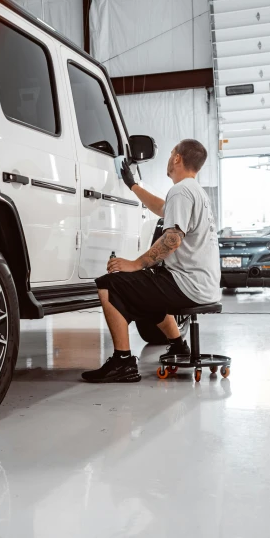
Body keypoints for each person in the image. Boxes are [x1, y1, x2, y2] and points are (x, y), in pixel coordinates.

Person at [82, 139, 221, 383]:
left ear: (177, 158)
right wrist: (133, 186)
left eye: (170, 154)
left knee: (109, 283)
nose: (169, 159)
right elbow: (162, 208)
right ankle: (178, 346)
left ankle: (123, 362)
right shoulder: (194, 191)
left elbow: (173, 239)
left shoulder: (180, 190)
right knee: (144, 289)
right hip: (203, 285)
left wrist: (136, 263)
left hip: (186, 284)